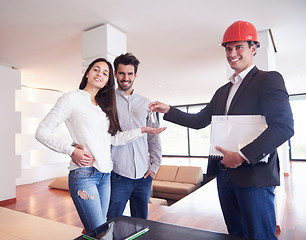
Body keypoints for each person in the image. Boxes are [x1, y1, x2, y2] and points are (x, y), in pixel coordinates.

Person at [149, 21, 294, 240]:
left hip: (254, 177)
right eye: (228, 48)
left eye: (239, 47)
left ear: (253, 48)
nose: (232, 53)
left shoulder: (268, 79)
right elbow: (199, 121)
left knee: (260, 236)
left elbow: (284, 127)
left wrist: (242, 156)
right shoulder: (222, 91)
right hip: (225, 177)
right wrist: (169, 109)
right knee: (235, 234)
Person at [35, 58, 166, 232]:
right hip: (85, 174)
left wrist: (141, 130)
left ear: (107, 81)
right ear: (87, 73)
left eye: (104, 73)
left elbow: (112, 139)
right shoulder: (71, 98)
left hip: (105, 176)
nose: (100, 74)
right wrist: (71, 150)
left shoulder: (102, 107)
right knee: (99, 231)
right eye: (96, 69)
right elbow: (42, 132)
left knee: (103, 230)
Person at [107, 53, 162, 220]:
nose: (125, 78)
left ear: (135, 75)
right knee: (111, 221)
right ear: (115, 74)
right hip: (118, 175)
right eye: (122, 73)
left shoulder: (146, 103)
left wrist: (154, 166)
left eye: (130, 74)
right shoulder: (106, 102)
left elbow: (154, 137)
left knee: (141, 223)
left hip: (144, 176)